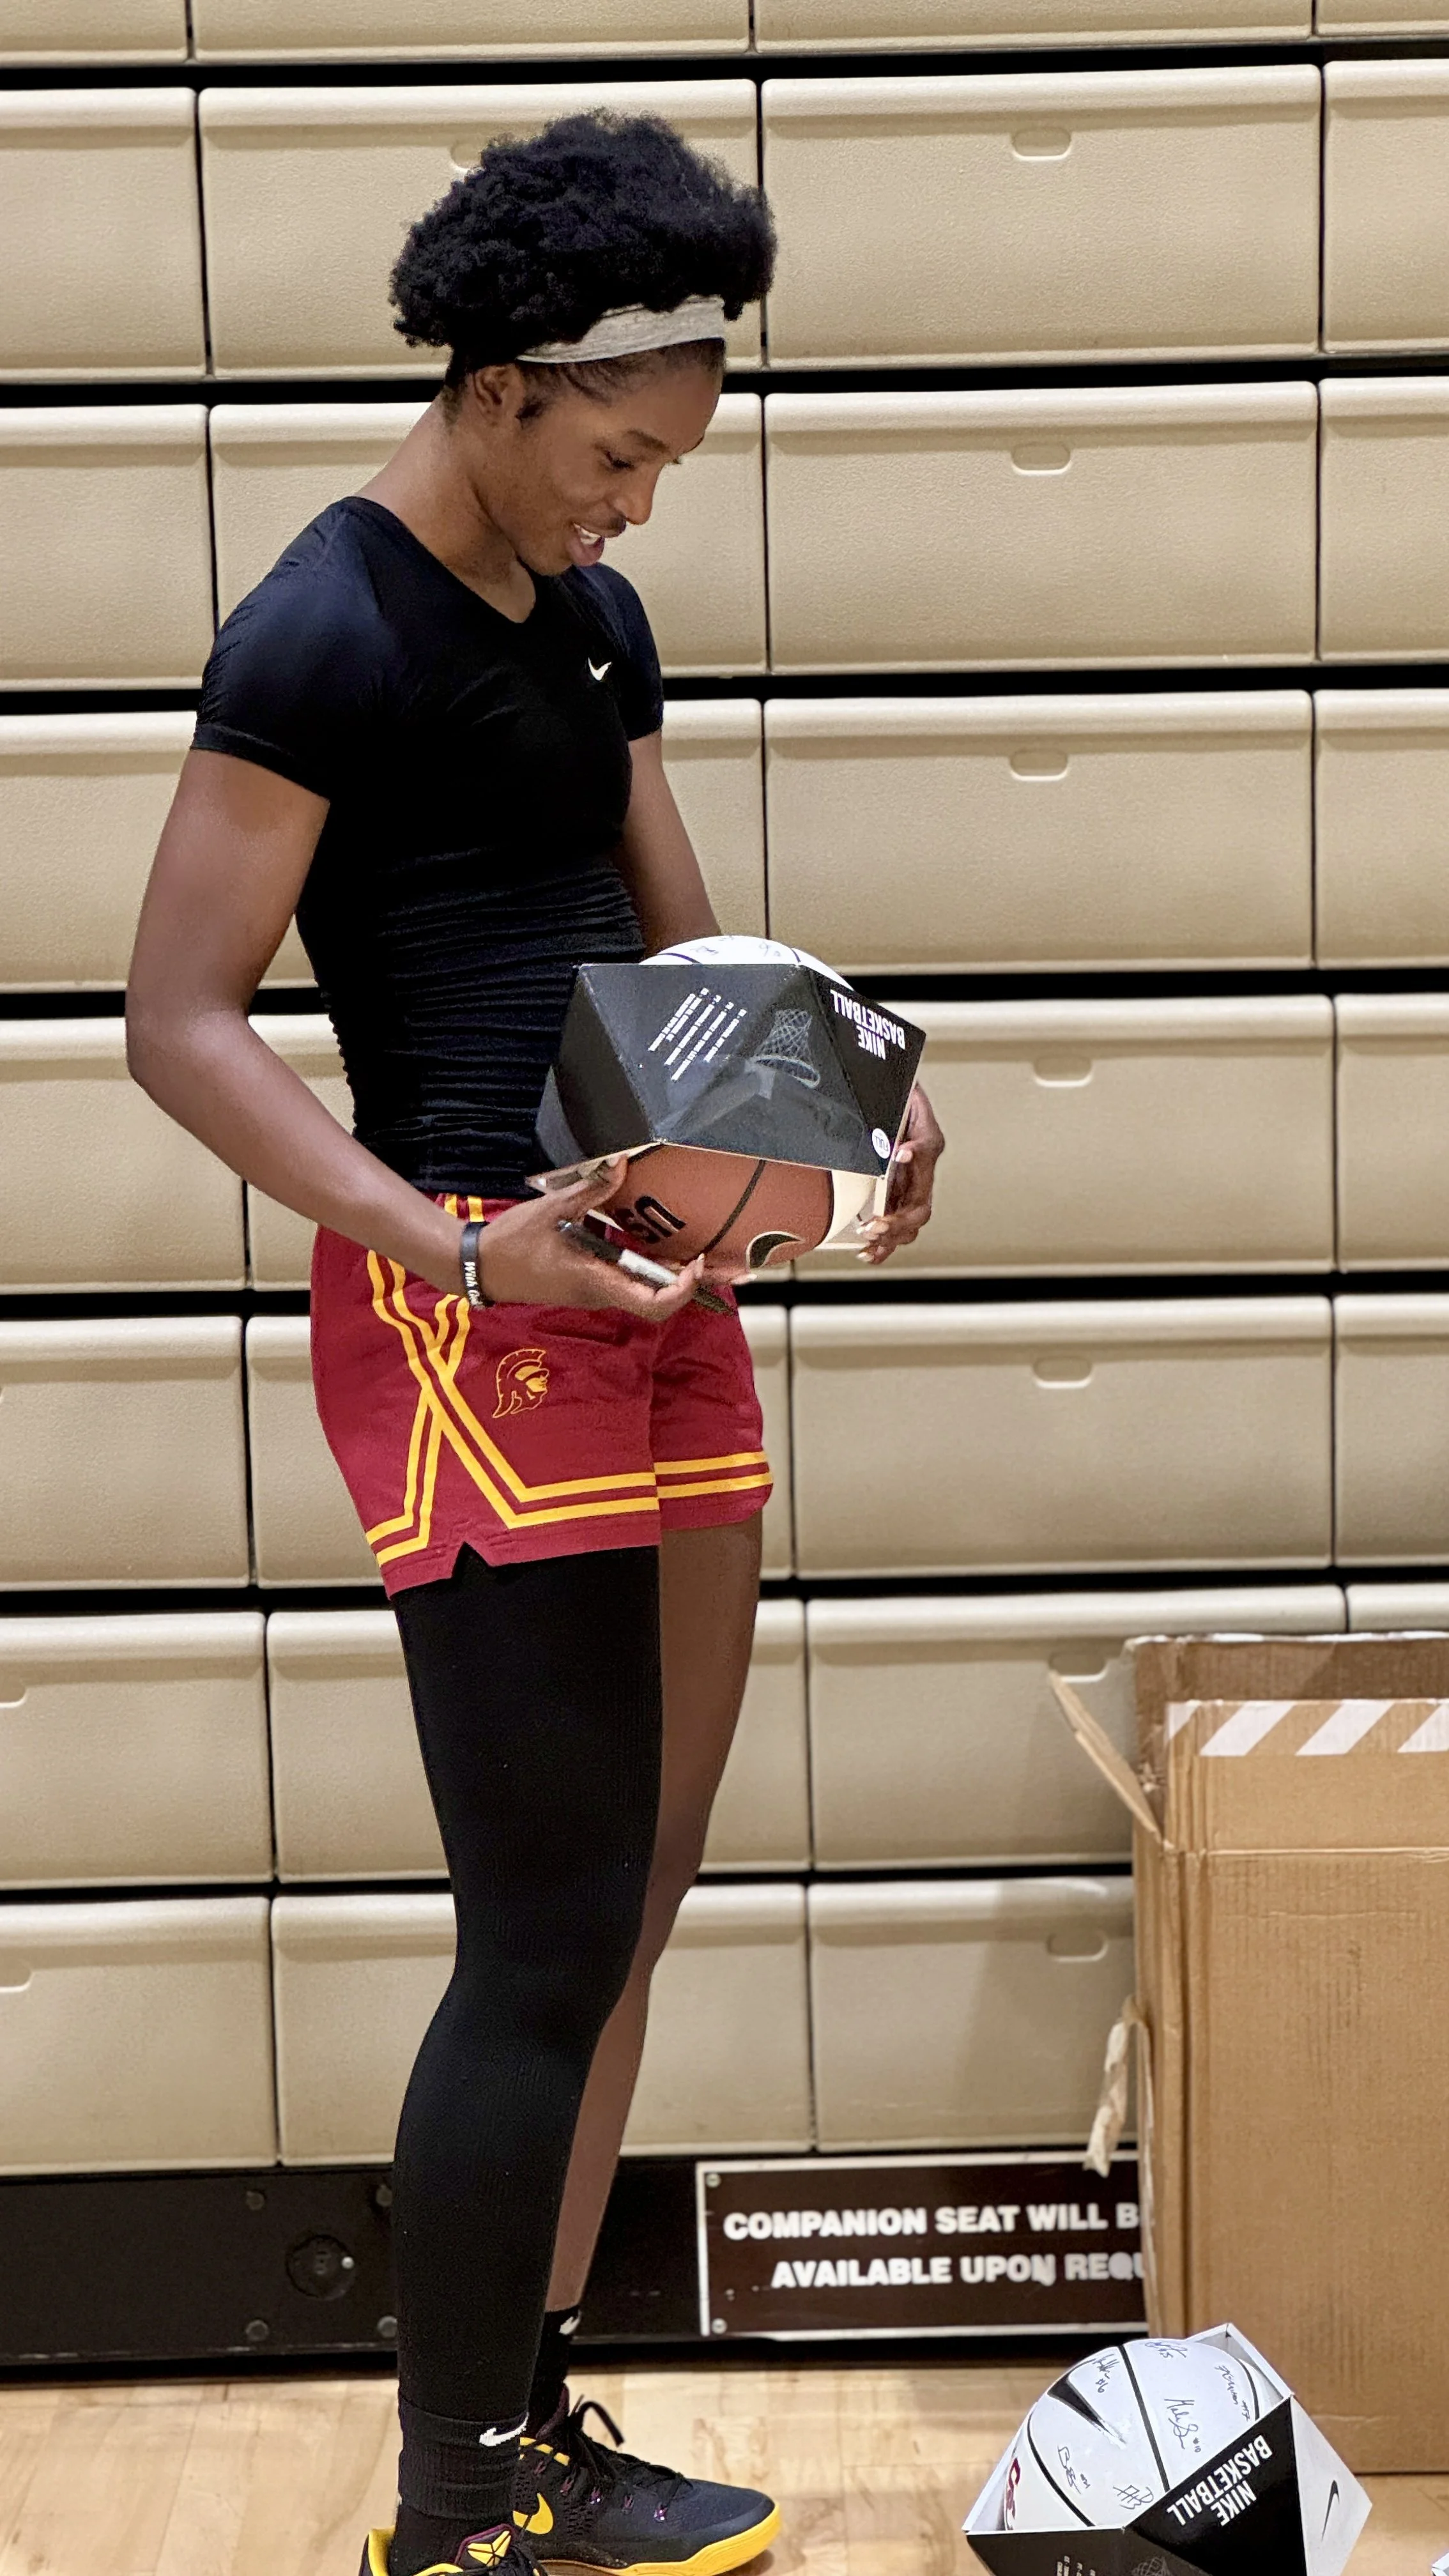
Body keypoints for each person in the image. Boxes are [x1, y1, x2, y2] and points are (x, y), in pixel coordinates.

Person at [127, 109, 943, 2576]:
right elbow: (180, 1021)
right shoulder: (325, 629)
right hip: (476, 1308)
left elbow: (698, 981)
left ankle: (532, 2418)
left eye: (672, 461)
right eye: (619, 453)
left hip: (649, 1295)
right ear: (499, 387)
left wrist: (858, 1104)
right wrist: (450, 1251)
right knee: (546, 1924)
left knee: (642, 1886)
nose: (641, 504)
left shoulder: (594, 629)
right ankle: (447, 2504)